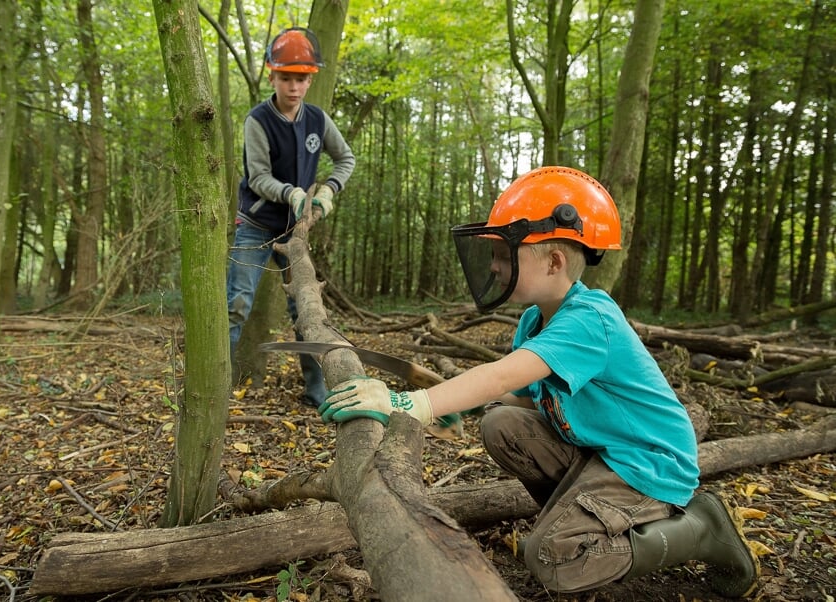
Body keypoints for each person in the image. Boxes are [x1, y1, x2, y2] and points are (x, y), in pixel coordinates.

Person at [318, 166, 760, 597]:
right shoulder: (535, 320)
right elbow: (524, 396)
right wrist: (459, 403)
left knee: (553, 560)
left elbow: (500, 374)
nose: (493, 266)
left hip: (647, 465)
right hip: (603, 452)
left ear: (553, 261)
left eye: (502, 254)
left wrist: (410, 403)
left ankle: (700, 529)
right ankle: (578, 517)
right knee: (499, 423)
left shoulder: (589, 320)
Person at [227, 27, 356, 407]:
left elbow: (345, 158)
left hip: (296, 230)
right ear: (272, 76)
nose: (294, 87)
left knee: (305, 307)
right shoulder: (258, 120)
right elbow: (258, 176)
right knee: (237, 303)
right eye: (286, 78)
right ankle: (217, 384)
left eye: (301, 79)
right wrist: (293, 192)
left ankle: (315, 387)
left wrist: (330, 188)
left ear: (309, 79)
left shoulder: (317, 119)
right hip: (256, 224)